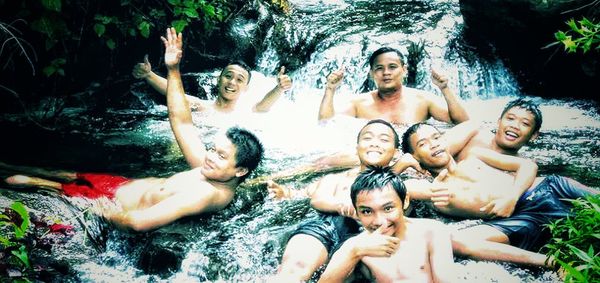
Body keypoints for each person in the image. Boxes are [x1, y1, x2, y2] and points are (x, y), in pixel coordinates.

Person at [3, 27, 264, 232]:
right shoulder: (213, 170)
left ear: (240, 170)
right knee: (61, 173)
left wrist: (100, 210)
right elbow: (182, 121)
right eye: (212, 149)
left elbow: (137, 223)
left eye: (220, 155)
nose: (210, 156)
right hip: (121, 185)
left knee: (19, 182)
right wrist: (173, 70)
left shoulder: (206, 193)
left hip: (110, 203)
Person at [400, 122, 597, 268]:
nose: (434, 144)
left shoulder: (475, 155)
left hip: (549, 188)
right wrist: (399, 165)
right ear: (414, 157)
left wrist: (512, 197)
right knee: (456, 242)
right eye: (423, 144)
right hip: (523, 218)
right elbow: (390, 189)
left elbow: (528, 165)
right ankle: (555, 263)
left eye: (436, 137)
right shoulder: (430, 190)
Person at [270, 119, 416, 281]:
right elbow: (314, 198)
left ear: (396, 152)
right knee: (294, 270)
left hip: (371, 238)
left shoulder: (404, 183)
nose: (375, 143)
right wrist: (286, 193)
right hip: (326, 227)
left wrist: (399, 168)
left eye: (383, 139)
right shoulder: (337, 179)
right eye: (368, 138)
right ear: (357, 148)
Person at [319, 167, 455, 283]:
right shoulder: (355, 247)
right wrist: (355, 253)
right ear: (357, 212)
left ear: (405, 201)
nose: (379, 221)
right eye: (367, 211)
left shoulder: (431, 232)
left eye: (388, 208)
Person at [318, 47, 469, 125]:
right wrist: (330, 89)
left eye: (392, 67)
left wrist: (445, 89)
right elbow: (326, 124)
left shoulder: (423, 100)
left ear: (404, 70)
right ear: (371, 73)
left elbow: (463, 123)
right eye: (379, 68)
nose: (386, 73)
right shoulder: (359, 104)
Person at [132, 54, 292, 113]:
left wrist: (279, 88)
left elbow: (264, 104)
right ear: (218, 79)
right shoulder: (201, 106)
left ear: (246, 88)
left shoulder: (247, 111)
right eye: (228, 76)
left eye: (239, 79)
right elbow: (174, 93)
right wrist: (148, 75)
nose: (232, 82)